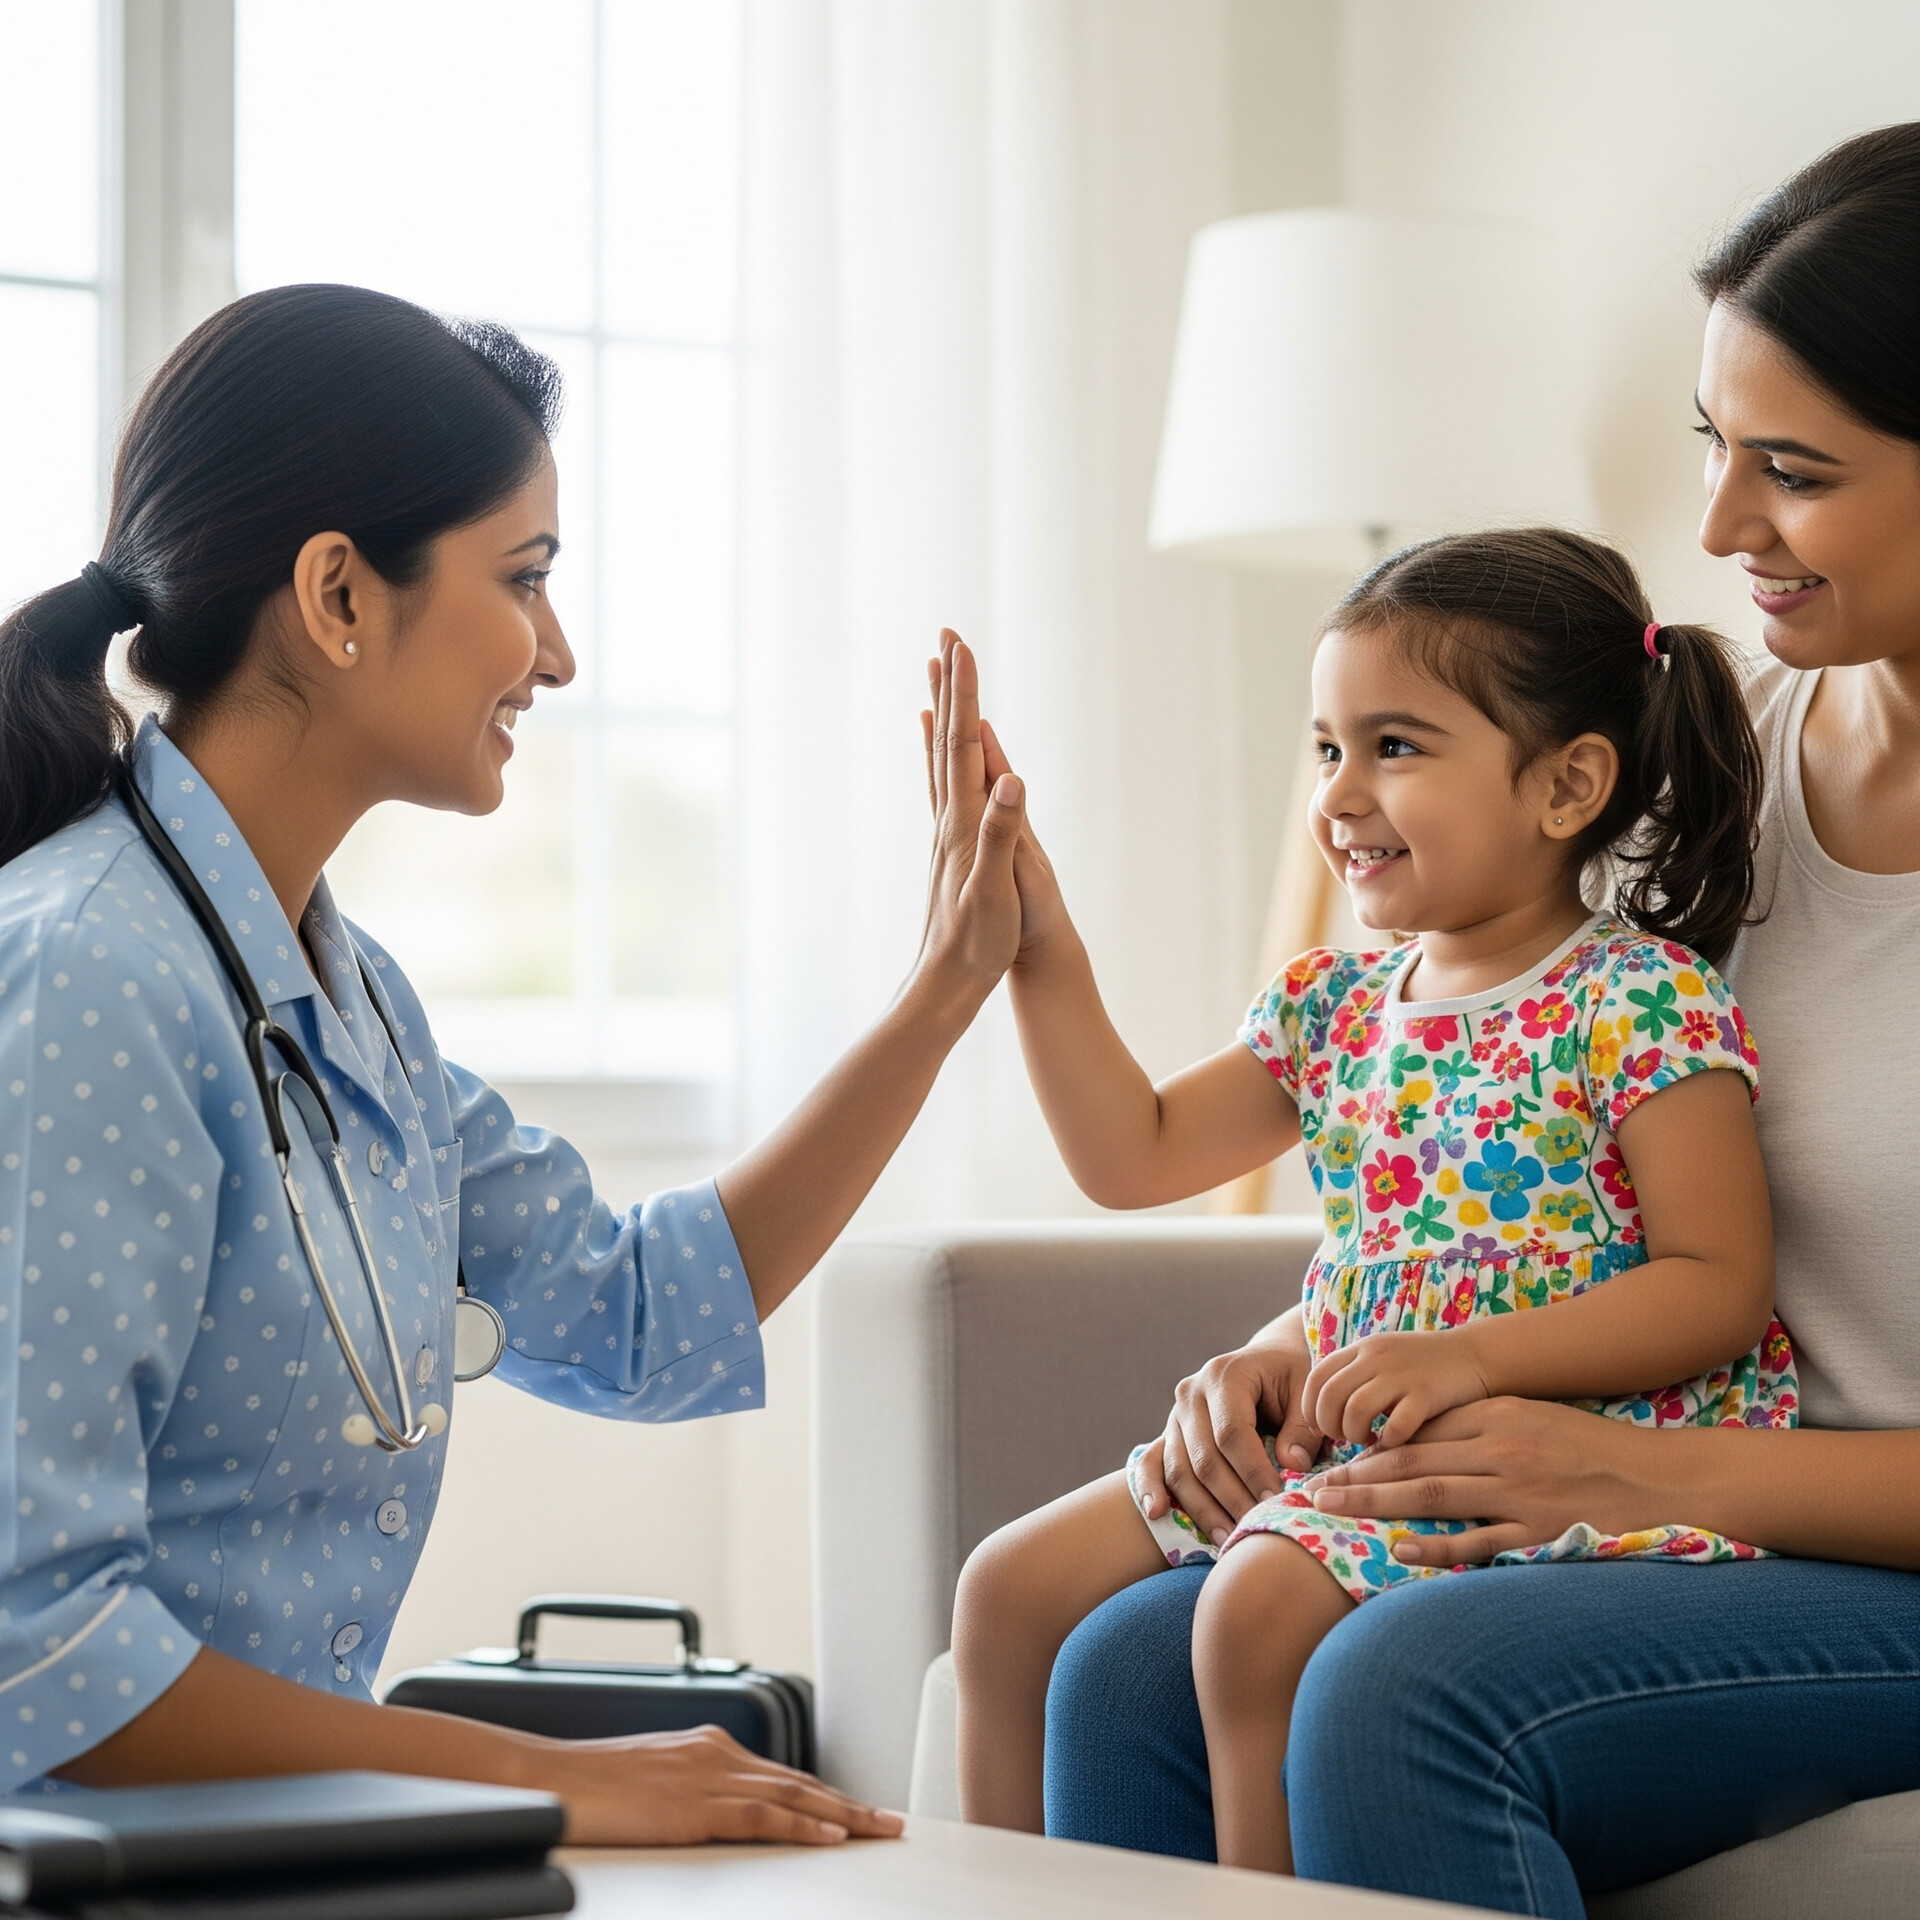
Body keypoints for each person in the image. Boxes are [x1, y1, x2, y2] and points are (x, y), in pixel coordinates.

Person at [0, 283, 1027, 1846]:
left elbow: (638, 1319)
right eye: (525, 578)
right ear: (339, 595)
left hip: (254, 1858)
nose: (555, 653)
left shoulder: (349, 1007)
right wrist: (550, 1776)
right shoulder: (85, 978)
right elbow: (35, 1652)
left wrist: (946, 989)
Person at [1042, 123, 1920, 1915]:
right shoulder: (1708, 749)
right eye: (1712, 444)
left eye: (1794, 471)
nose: (1718, 524)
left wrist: (1642, 1470)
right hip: (1660, 1492)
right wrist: (1321, 1339)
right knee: (1125, 1662)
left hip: (1829, 1543)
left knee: (1397, 1693)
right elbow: (1525, 1134)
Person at [953, 526, 1795, 1871]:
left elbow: (1716, 1283)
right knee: (1007, 1587)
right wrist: (1034, 943)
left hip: (1545, 1447)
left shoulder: (1641, 1000)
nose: (1342, 792)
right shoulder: (1332, 1008)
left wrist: (1465, 1354)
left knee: (1249, 1617)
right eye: (1327, 747)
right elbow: (1132, 1154)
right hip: (1355, 1438)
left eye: (1395, 746)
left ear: (1568, 784)